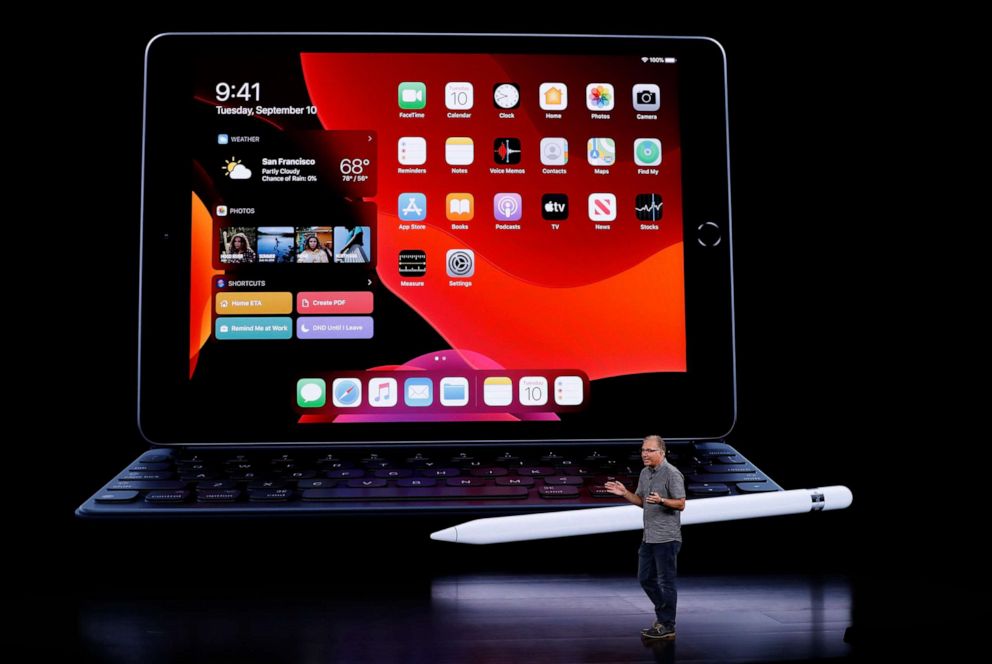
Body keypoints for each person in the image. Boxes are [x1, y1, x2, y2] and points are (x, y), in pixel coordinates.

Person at [605, 435, 686, 640]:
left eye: (649, 450)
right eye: (643, 450)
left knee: (666, 582)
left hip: (667, 538)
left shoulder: (672, 473)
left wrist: (662, 500)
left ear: (661, 452)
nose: (644, 454)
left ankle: (667, 625)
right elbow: (642, 501)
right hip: (649, 537)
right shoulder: (645, 473)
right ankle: (664, 617)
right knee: (645, 578)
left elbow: (681, 504)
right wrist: (624, 493)